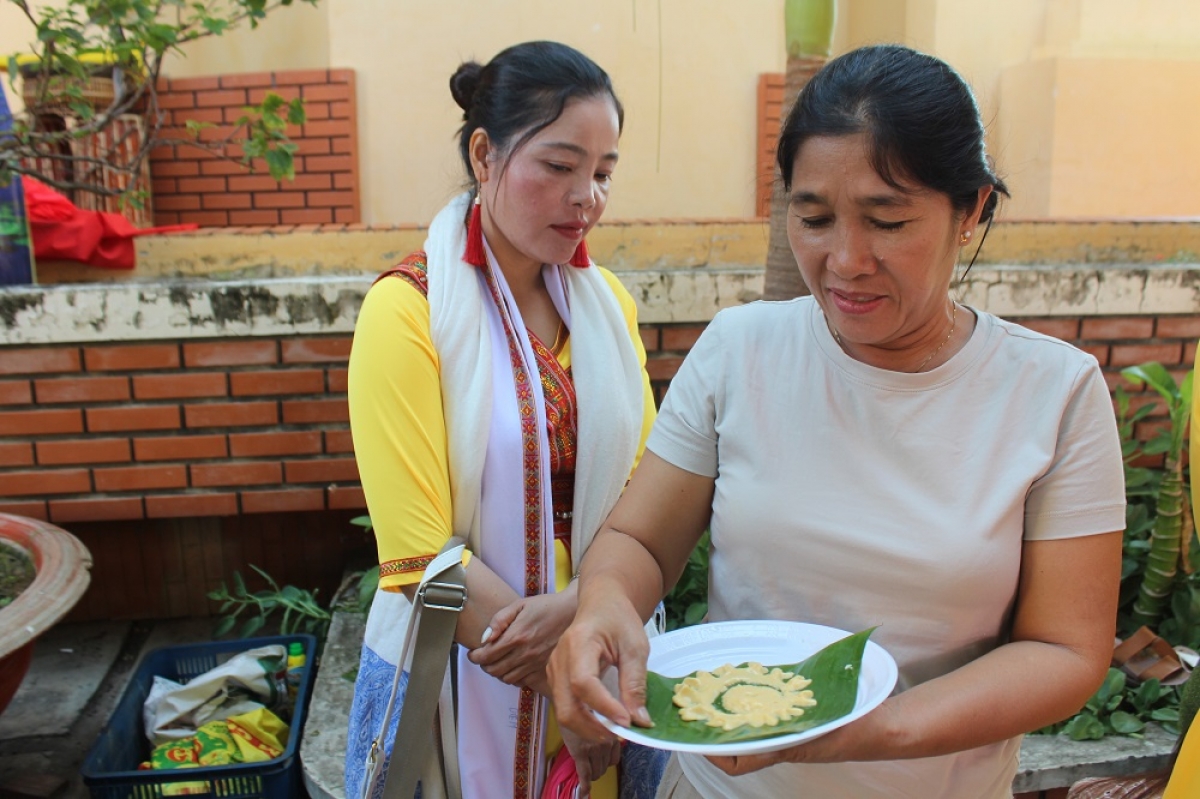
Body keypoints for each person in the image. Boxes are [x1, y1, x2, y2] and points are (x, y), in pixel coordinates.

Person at [548, 44, 1126, 799]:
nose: (846, 260)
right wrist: (601, 604)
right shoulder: (740, 349)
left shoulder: (1056, 393)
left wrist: (876, 730)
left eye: (887, 221)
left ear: (972, 207)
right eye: (814, 216)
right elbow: (639, 539)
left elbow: (1064, 650)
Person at [344, 41, 665, 799]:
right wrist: (570, 652)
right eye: (560, 166)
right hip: (469, 662)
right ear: (484, 154)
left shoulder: (608, 311)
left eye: (604, 172)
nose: (587, 195)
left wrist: (585, 619)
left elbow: (651, 495)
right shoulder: (408, 311)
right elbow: (418, 553)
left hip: (601, 656)